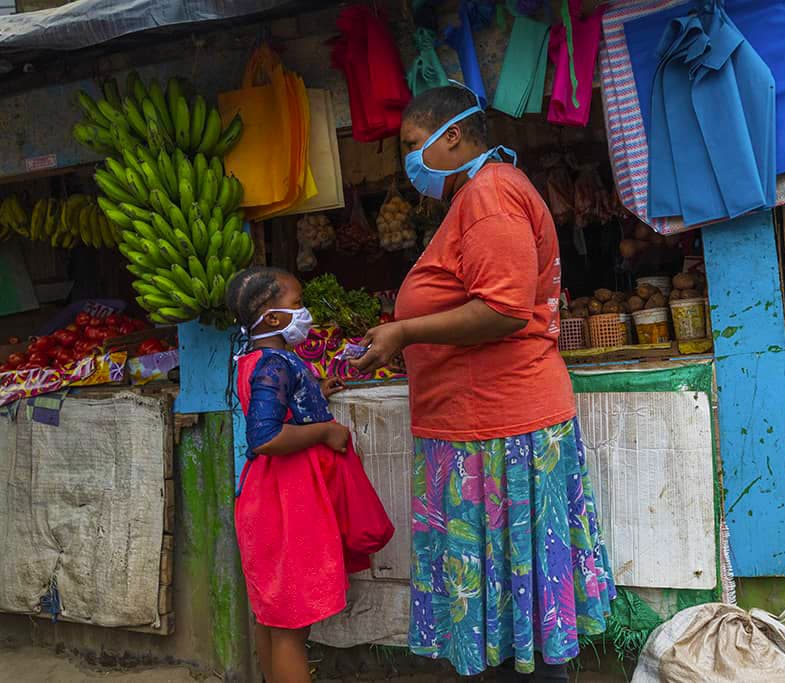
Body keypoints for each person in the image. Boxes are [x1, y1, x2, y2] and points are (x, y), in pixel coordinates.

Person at [352, 85, 616, 680]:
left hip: (499, 431)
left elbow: (503, 310)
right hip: (481, 426)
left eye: (413, 145)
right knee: (506, 600)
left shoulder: (490, 196)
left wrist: (404, 332)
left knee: (519, 606)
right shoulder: (483, 193)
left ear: (452, 136)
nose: (408, 162)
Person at [227, 266, 393, 683]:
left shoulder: (259, 359)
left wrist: (314, 393)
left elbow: (275, 405)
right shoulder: (273, 364)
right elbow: (265, 436)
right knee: (290, 627)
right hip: (285, 500)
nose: (305, 314)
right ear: (271, 315)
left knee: (271, 615)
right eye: (297, 304)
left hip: (267, 496)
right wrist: (326, 430)